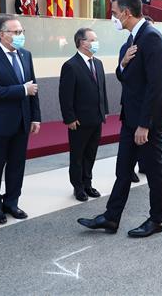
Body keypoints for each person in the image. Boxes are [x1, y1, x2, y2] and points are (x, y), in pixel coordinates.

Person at [77, 0, 162, 238]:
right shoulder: (130, 41)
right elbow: (121, 76)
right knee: (123, 170)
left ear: (127, 13)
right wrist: (123, 64)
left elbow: (156, 86)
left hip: (146, 119)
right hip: (130, 117)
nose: (113, 17)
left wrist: (145, 124)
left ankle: (157, 220)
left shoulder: (151, 38)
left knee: (153, 170)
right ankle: (111, 218)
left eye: (115, 13)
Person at [0, 16, 41, 224]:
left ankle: (12, 202)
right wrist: (22, 89)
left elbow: (34, 88)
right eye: (16, 32)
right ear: (2, 34)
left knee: (17, 165)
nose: (21, 36)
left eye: (21, 32)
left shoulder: (25, 55)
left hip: (22, 121)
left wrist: (35, 117)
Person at [59, 28, 108, 202]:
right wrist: (70, 118)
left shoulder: (98, 63)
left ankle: (88, 183)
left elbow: (101, 90)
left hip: (96, 118)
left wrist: (104, 111)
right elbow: (65, 96)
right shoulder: (71, 66)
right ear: (82, 42)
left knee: (91, 154)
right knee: (78, 156)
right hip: (79, 121)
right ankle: (78, 187)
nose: (96, 42)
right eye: (92, 39)